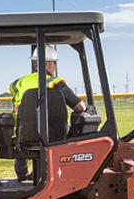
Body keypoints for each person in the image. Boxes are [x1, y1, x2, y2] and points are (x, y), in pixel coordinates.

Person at [9, 52, 87, 181]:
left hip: (24, 132)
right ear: (49, 64)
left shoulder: (18, 83)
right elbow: (80, 107)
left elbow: (17, 107)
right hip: (53, 135)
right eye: (54, 63)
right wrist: (86, 106)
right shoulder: (55, 82)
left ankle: (22, 175)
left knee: (20, 139)